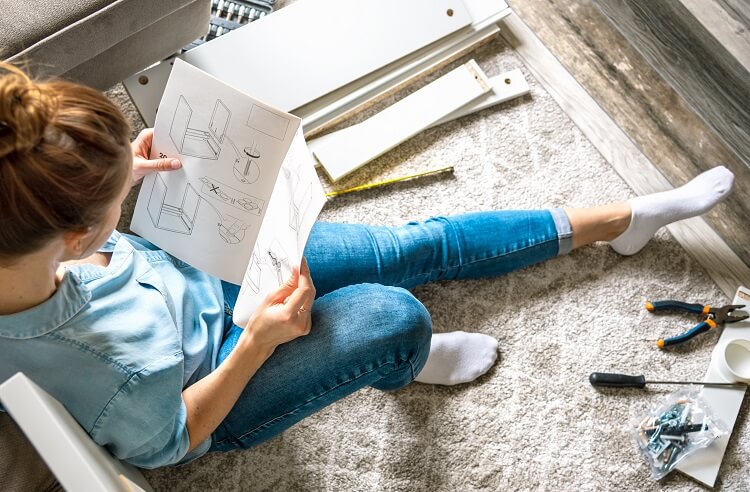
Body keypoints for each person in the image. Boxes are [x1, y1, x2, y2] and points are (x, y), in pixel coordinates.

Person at [0, 63, 735, 469]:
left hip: (187, 281)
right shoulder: (103, 365)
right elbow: (168, 444)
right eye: (103, 209)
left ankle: (623, 221)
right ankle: (401, 363)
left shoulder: (20, 223)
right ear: (68, 237)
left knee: (409, 245)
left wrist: (115, 173)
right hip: (201, 386)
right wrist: (256, 341)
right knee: (394, 316)